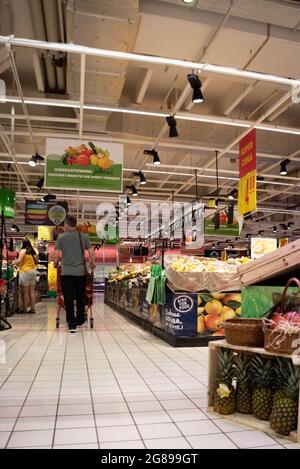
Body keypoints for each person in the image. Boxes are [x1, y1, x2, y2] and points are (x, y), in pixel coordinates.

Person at [53, 215, 95, 333]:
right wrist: (93, 263)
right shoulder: (83, 237)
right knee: (80, 296)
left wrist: (55, 263)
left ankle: (72, 325)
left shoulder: (61, 238)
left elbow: (56, 255)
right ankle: (80, 320)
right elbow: (91, 252)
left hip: (66, 273)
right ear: (75, 224)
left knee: (69, 298)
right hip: (80, 272)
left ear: (66, 224)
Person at [14, 238, 38, 314]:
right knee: (32, 291)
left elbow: (19, 261)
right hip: (33, 271)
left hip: (25, 271)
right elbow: (37, 261)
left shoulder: (23, 251)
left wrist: (14, 261)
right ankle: (33, 308)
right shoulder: (34, 251)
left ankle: (24, 309)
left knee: (25, 292)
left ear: (22, 244)